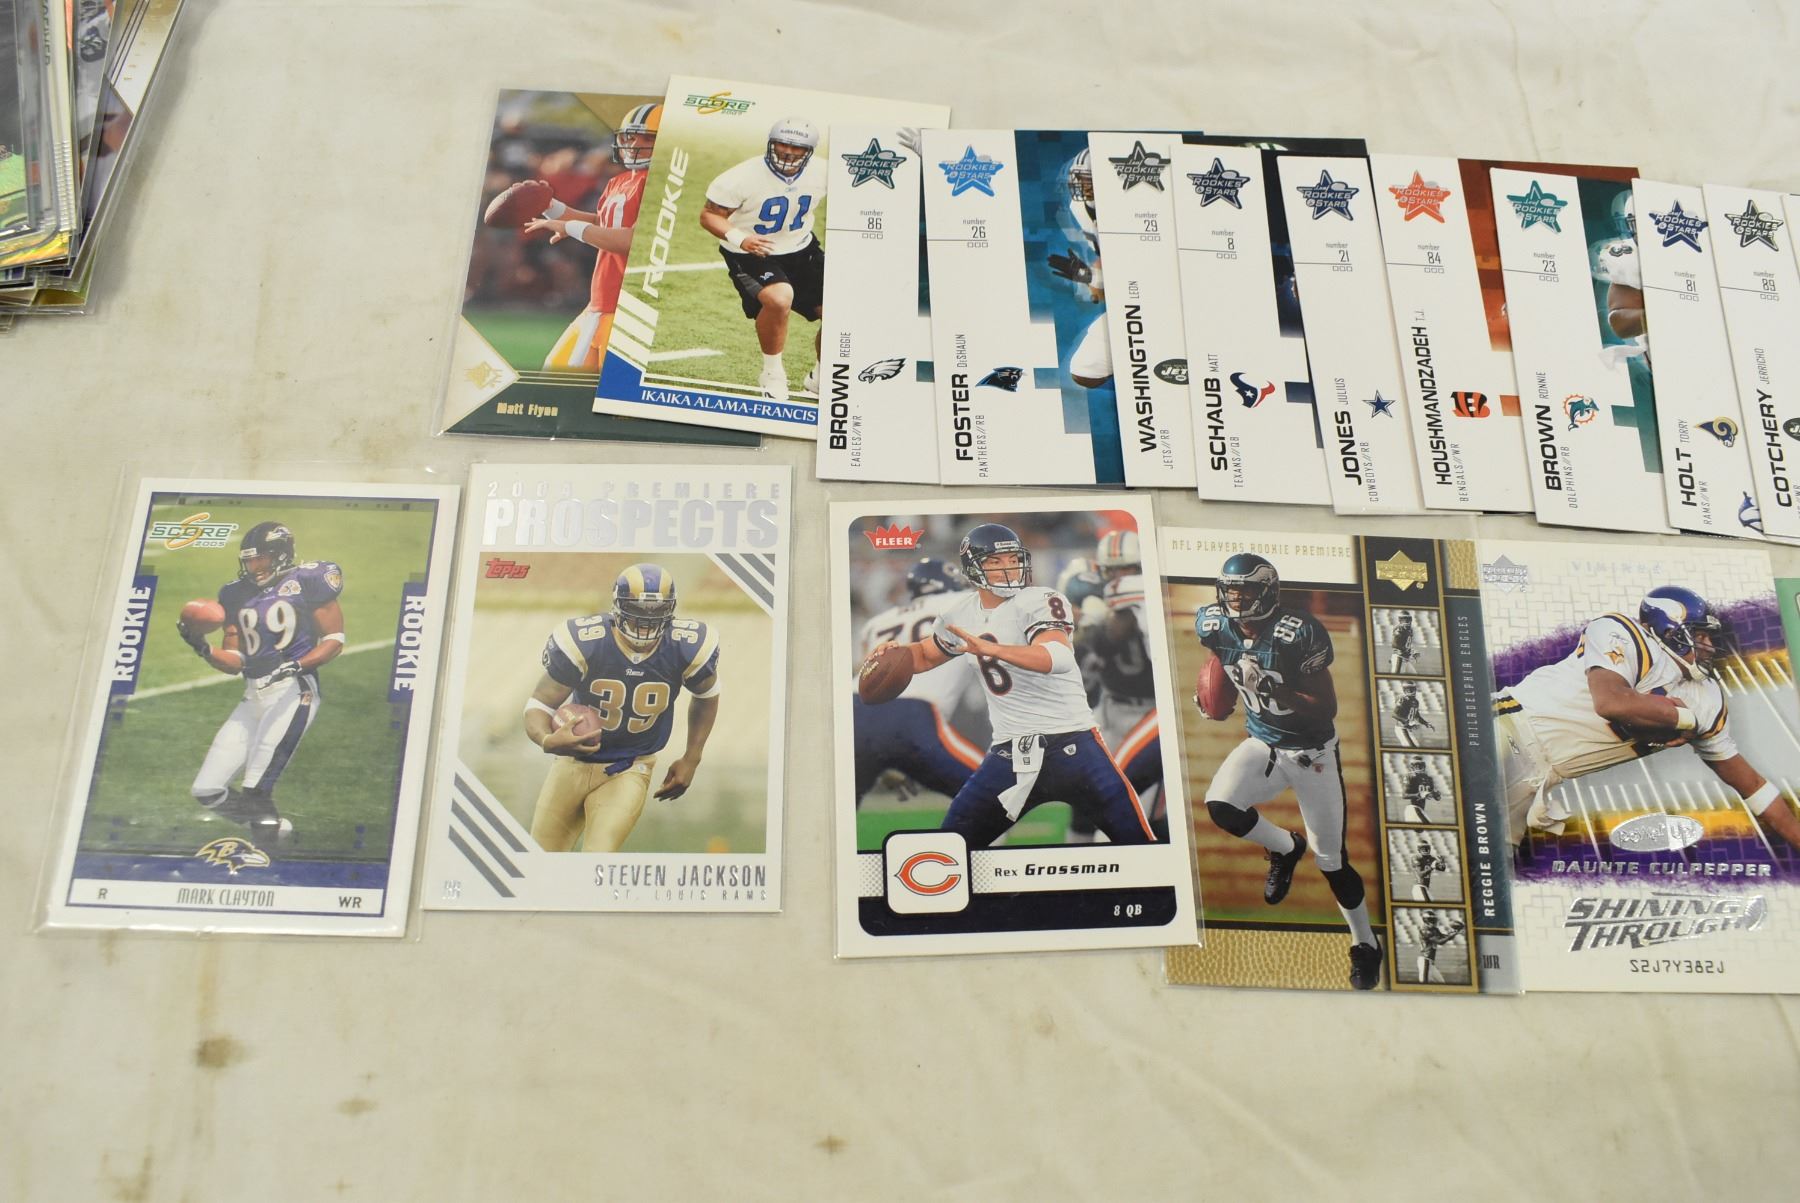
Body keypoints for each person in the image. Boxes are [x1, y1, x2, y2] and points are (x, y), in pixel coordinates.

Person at [867, 523, 1157, 847]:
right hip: (1010, 754)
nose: (1008, 568)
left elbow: (1057, 657)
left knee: (1139, 843)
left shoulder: (1040, 599)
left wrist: (995, 650)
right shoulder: (960, 613)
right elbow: (925, 655)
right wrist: (896, 653)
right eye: (995, 561)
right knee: (952, 847)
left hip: (1074, 745)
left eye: (1013, 559)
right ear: (973, 568)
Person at [1192, 551, 1383, 990]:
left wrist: (1275, 689)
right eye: (1231, 591)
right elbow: (1220, 661)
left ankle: (1365, 943)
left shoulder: (1298, 632)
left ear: (1267, 592)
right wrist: (1214, 698)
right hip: (1262, 741)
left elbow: (1325, 708)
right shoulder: (1213, 624)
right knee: (1221, 805)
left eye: (1245, 591)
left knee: (1331, 861)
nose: (1236, 600)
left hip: (1312, 753)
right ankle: (1284, 847)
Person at [1494, 586, 1800, 850]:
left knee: (1486, 866)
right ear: (1670, 631)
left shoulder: (1707, 698)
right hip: (1510, 729)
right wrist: (1682, 718)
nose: (1708, 646)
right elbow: (1611, 702)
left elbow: (1753, 785)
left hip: (1537, 783)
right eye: (1700, 635)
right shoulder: (1620, 631)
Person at [522, 563, 720, 853]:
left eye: (655, 611)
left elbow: (707, 696)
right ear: (618, 606)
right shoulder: (587, 642)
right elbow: (539, 704)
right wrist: (546, 739)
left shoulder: (685, 647)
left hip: (629, 767)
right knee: (542, 858)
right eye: (637, 609)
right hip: (571, 764)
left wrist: (692, 758)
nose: (646, 621)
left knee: (598, 857)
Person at [178, 522, 345, 847]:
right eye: (249, 560)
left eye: (261, 559)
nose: (254, 566)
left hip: (294, 690)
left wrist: (298, 664)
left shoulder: (308, 579)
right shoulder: (234, 593)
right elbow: (234, 662)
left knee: (256, 790)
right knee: (207, 790)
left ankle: (267, 853)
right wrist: (202, 647)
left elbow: (335, 639)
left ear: (281, 555)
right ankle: (275, 831)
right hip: (253, 694)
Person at [524, 102, 661, 371]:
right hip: (601, 301)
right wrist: (550, 206)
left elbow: (632, 240)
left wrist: (571, 228)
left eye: (648, 138)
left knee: (602, 391)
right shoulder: (620, 180)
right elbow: (605, 223)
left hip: (630, 306)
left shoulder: (662, 183)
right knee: (555, 377)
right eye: (631, 136)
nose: (635, 144)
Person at [700, 117, 826, 403]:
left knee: (841, 311)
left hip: (801, 247)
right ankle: (772, 374)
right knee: (779, 299)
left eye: (796, 147)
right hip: (752, 252)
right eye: (782, 143)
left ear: (809, 151)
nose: (788, 151)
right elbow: (709, 216)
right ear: (771, 143)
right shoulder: (741, 177)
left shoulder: (824, 171)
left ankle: (820, 378)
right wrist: (740, 238)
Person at [852, 558, 983, 804]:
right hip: (912, 717)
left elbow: (861, 673)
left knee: (837, 809)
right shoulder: (965, 602)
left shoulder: (877, 622)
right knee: (995, 794)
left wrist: (882, 753)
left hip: (855, 712)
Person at [1049, 148, 1112, 390]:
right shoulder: (1081, 209)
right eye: (1082, 180)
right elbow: (1119, 274)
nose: (1085, 188)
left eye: (1089, 180)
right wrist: (1090, 276)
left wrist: (1092, 277)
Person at [1415, 910, 1465, 984]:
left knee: (1442, 983)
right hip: (1425, 961)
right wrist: (1451, 935)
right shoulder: (1425, 931)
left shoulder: (1434, 929)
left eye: (1434, 919)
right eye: (1432, 919)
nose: (1434, 921)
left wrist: (1454, 932)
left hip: (1431, 963)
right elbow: (1440, 942)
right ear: (1426, 920)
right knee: (1424, 985)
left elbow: (1444, 937)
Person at [1392, 681, 1435, 748]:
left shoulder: (1415, 701)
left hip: (1408, 729)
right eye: (1407, 689)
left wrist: (1425, 723)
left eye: (1411, 688)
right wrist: (1406, 721)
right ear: (1404, 690)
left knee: (1416, 748)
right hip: (1402, 728)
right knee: (1412, 748)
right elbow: (1394, 714)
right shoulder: (1403, 699)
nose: (1409, 691)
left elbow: (1417, 716)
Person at [1400, 755, 1441, 824]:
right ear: (1412, 767)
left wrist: (1436, 795)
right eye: (1416, 765)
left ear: (1423, 766)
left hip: (1421, 809)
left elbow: (1436, 797)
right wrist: (1418, 795)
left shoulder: (1428, 778)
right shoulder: (1410, 777)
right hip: (1412, 808)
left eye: (1419, 765)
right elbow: (1404, 795)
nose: (1418, 767)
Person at [1409, 837, 1448, 901]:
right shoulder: (1416, 858)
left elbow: (1442, 869)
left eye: (1426, 848)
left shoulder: (1431, 858)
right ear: (1419, 849)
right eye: (1423, 848)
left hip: (1425, 888)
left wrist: (1442, 862)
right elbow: (1420, 875)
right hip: (1419, 887)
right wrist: (1432, 867)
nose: (1425, 850)